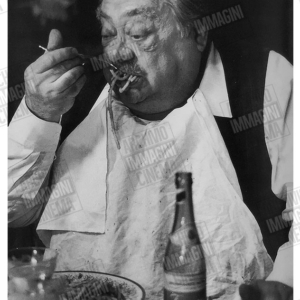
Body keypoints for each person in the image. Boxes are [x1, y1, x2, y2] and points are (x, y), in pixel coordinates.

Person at [8, 0, 293, 299]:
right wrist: (40, 112)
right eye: (108, 33)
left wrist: (284, 283)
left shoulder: (264, 81)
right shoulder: (70, 97)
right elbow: (12, 212)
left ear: (196, 33)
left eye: (139, 33)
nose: (117, 52)